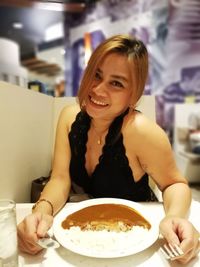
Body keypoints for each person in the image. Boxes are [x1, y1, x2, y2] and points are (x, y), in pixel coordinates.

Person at [17, 34, 199, 263]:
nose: (98, 89)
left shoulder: (143, 132)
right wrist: (41, 211)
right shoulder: (68, 118)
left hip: (138, 239)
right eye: (96, 74)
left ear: (133, 95)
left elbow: (175, 183)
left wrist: (174, 218)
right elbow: (60, 179)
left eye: (116, 83)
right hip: (86, 235)